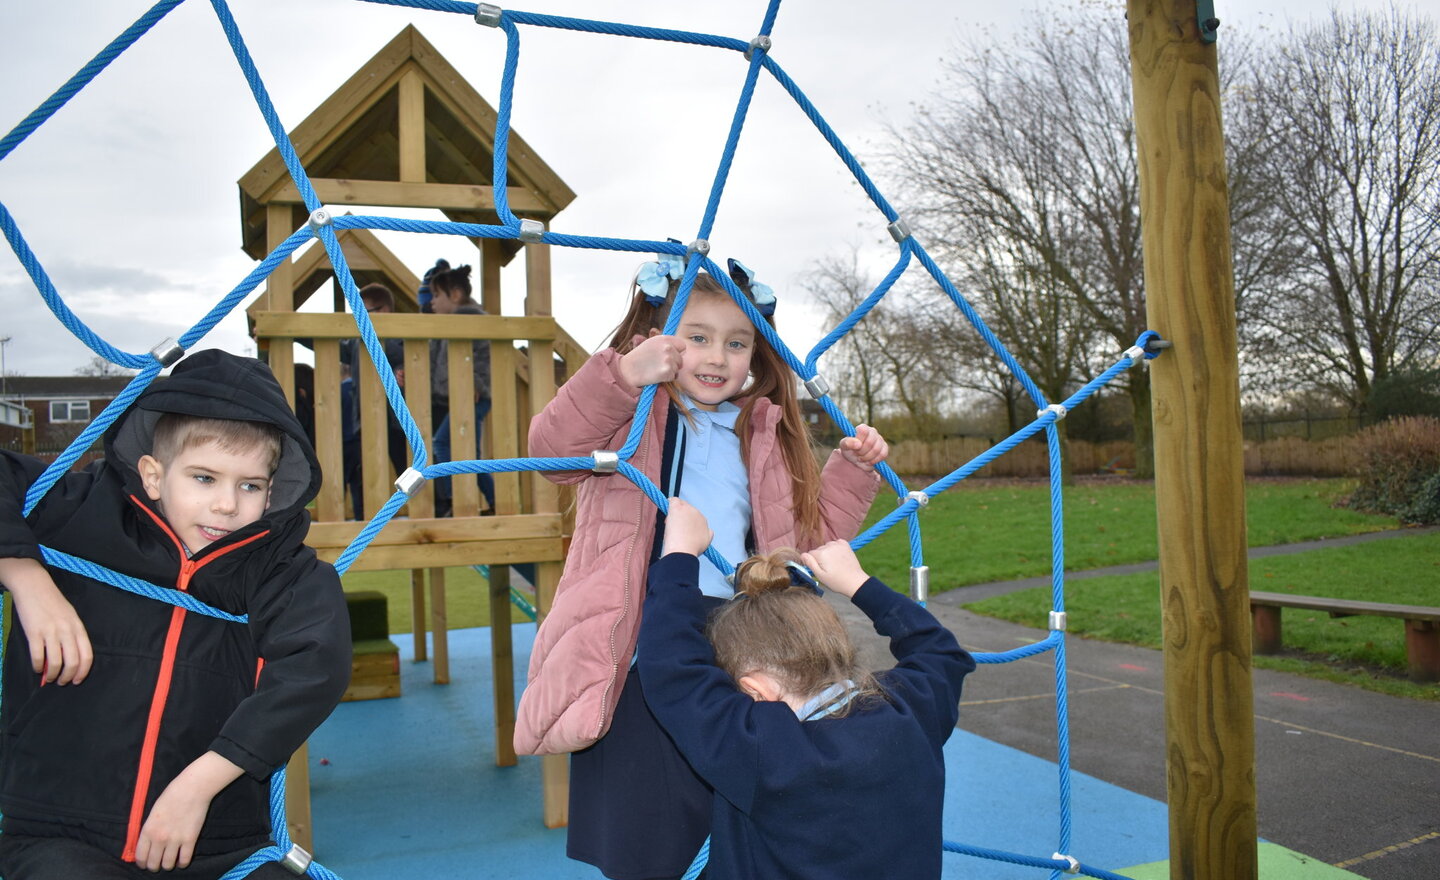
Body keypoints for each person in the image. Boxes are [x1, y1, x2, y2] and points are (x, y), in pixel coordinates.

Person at [514, 254, 890, 880]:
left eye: (737, 343)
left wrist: (853, 469)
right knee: (650, 819)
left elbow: (810, 545)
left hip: (741, 639)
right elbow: (552, 453)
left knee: (739, 812)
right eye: (697, 338)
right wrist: (622, 375)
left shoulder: (760, 430)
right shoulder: (630, 421)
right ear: (662, 339)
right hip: (643, 631)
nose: (718, 357)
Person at [0, 349, 353, 879]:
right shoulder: (82, 512)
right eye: (204, 478)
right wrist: (26, 579)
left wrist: (200, 783)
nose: (227, 505)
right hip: (61, 829)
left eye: (249, 485)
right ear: (153, 475)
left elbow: (315, 666)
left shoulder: (278, 571)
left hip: (214, 839)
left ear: (271, 491)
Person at [638, 499, 975, 880]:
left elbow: (671, 668)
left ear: (753, 690)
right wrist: (858, 583)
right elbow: (942, 651)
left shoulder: (763, 749)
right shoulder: (909, 710)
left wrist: (680, 554)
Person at [428, 263, 495, 515]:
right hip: (463, 394)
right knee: (468, 452)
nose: (432, 302)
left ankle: (451, 501)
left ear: (455, 295)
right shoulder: (453, 321)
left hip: (472, 394)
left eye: (437, 295)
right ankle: (491, 500)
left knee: (443, 444)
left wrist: (474, 384)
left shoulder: (468, 319)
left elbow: (480, 355)